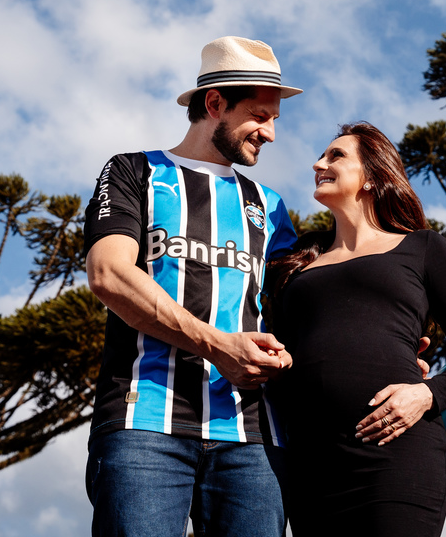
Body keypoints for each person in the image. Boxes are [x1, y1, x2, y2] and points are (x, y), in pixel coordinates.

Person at [83, 36, 302, 537]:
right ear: (214, 103)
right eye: (260, 116)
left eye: (274, 119)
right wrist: (217, 344)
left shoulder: (270, 205)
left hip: (253, 437)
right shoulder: (133, 171)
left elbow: (300, 311)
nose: (270, 133)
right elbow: (110, 273)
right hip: (144, 424)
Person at [267, 122, 446, 536]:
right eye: (322, 155)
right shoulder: (295, 263)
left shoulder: (423, 248)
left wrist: (427, 394)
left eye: (336, 156)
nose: (319, 164)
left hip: (397, 454)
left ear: (372, 176)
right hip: (311, 465)